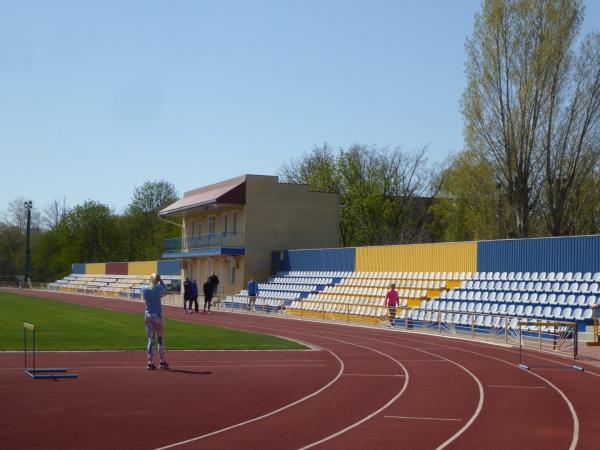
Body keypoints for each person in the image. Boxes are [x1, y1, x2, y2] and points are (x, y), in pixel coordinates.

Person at [143, 273, 169, 370]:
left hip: (148, 315)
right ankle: (162, 361)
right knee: (160, 339)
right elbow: (165, 289)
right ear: (157, 280)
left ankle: (150, 362)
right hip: (157, 315)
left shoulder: (144, 288)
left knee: (150, 339)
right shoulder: (159, 288)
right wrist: (160, 280)